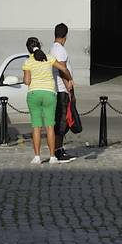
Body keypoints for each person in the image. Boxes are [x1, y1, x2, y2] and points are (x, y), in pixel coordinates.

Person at [23, 36, 71, 165]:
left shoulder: (28, 61)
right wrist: (70, 79)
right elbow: (63, 68)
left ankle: (37, 157)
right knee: (50, 126)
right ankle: (52, 157)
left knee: (36, 127)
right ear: (40, 45)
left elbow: (27, 81)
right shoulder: (48, 57)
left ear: (29, 49)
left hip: (34, 93)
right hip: (49, 93)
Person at [51, 23, 74, 162]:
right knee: (62, 122)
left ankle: (58, 148)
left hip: (57, 89)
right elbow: (62, 69)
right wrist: (69, 86)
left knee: (60, 121)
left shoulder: (53, 48)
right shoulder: (60, 50)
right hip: (61, 89)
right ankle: (58, 151)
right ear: (65, 36)